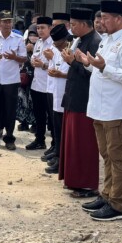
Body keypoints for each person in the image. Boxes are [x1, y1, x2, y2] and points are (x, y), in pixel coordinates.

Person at [81, 0, 122, 222]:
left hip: (117, 110)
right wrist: (88, 63)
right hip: (101, 108)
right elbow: (101, 69)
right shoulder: (107, 40)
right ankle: (107, 195)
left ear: (119, 19)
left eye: (105, 18)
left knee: (119, 157)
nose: (101, 22)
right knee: (107, 155)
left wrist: (103, 67)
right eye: (100, 17)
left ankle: (117, 204)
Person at [57, 8, 102, 198]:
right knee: (73, 142)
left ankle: (86, 184)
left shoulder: (95, 42)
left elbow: (95, 73)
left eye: (74, 24)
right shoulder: (80, 40)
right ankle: (74, 179)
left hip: (85, 100)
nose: (71, 27)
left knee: (84, 144)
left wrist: (73, 62)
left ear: (85, 24)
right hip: (73, 97)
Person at [0, 10, 27, 150]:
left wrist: (15, 58)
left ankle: (9, 138)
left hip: (11, 80)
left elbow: (24, 58)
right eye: (5, 21)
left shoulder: (18, 39)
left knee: (10, 110)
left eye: (9, 21)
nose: (8, 24)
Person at [44, 24, 71, 174]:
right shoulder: (55, 50)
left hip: (66, 96)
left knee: (64, 132)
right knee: (57, 129)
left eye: (58, 44)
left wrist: (60, 75)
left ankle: (62, 160)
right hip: (55, 93)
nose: (56, 47)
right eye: (55, 44)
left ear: (65, 40)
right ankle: (58, 157)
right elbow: (53, 66)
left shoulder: (71, 51)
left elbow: (74, 73)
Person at [29, 17, 54, 152]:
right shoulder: (38, 42)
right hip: (36, 84)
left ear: (50, 28)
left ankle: (54, 144)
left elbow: (58, 64)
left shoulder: (54, 43)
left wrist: (43, 65)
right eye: (38, 28)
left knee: (51, 116)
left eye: (43, 28)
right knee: (38, 115)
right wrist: (33, 62)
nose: (40, 30)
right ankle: (39, 140)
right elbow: (34, 57)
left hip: (49, 85)